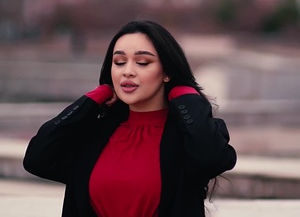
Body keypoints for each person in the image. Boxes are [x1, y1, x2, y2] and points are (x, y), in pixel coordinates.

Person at [23, 20, 237, 217]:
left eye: (142, 62)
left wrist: (183, 94)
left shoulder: (190, 135)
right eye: (119, 62)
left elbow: (210, 158)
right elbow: (37, 159)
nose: (128, 71)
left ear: (167, 71)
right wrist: (95, 97)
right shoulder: (95, 133)